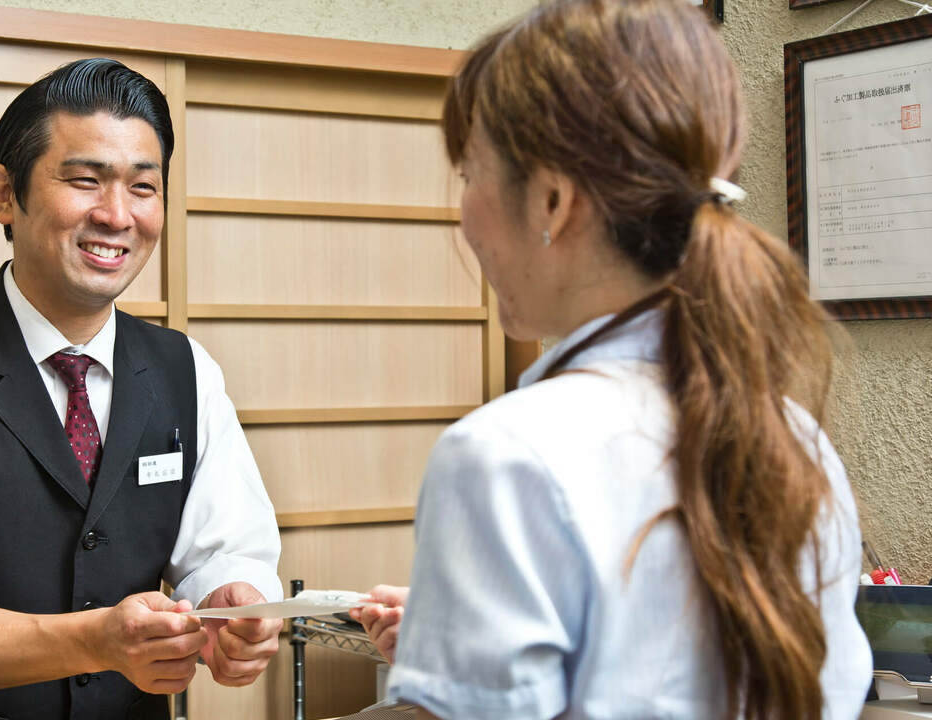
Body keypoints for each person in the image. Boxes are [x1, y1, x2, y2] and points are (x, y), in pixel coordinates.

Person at [350, 1, 872, 718]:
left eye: (470, 173)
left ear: (555, 200)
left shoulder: (506, 457)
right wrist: (454, 659)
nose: (463, 213)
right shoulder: (797, 441)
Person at [0, 58, 284, 720]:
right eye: (85, 180)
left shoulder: (187, 370)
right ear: (5, 193)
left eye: (143, 188)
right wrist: (97, 641)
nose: (117, 215)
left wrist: (232, 605)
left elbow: (222, 547)